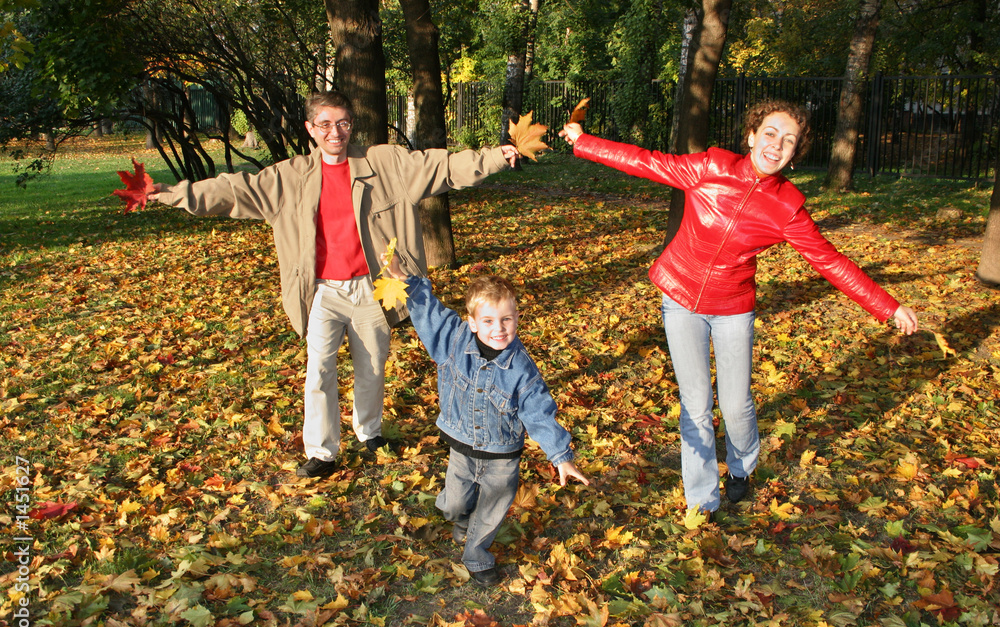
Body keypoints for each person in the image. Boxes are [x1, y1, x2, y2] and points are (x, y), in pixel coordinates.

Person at [560, 99, 918, 516]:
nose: (776, 145)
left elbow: (830, 261)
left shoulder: (788, 208)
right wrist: (585, 143)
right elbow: (645, 161)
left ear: (794, 154)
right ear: (751, 136)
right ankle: (702, 499)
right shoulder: (709, 167)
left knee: (736, 404)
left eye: (788, 141)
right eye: (770, 133)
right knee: (695, 405)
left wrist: (888, 307)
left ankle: (742, 467)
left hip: (732, 307)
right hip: (680, 297)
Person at [151, 91, 519, 478]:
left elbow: (441, 166)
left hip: (372, 287)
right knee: (320, 371)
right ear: (310, 129)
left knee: (373, 365)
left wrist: (496, 157)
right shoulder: (288, 177)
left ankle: (370, 434)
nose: (335, 132)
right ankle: (322, 451)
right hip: (321, 291)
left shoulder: (385, 163)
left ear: (351, 125)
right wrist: (171, 194)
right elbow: (231, 191)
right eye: (325, 124)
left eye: (342, 122)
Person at [382, 255, 590, 586]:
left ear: (517, 319)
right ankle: (461, 518)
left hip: (502, 455)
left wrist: (561, 456)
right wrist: (405, 280)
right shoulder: (452, 340)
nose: (499, 328)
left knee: (492, 510)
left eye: (507, 319)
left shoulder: (522, 369)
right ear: (473, 322)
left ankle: (477, 555)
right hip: (462, 448)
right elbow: (429, 313)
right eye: (489, 321)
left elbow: (538, 410)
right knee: (454, 503)